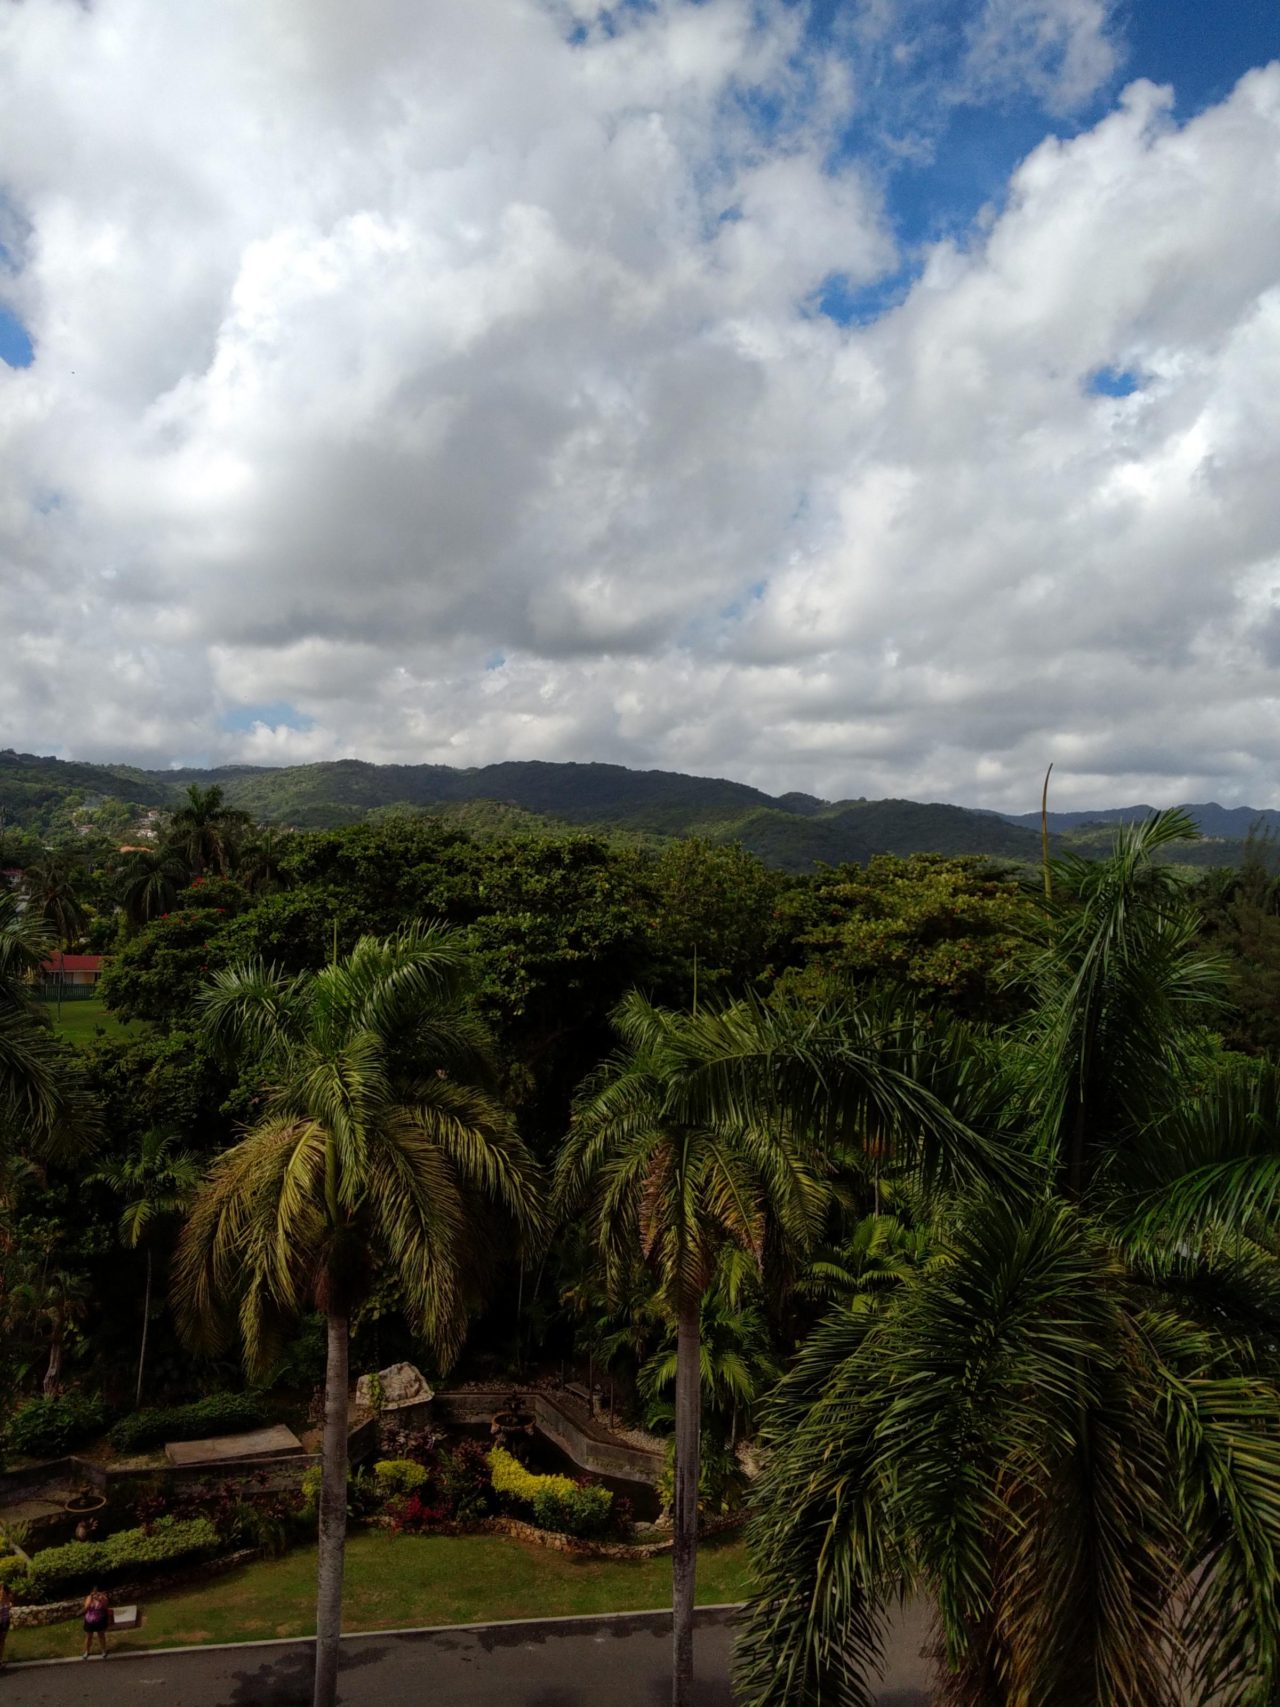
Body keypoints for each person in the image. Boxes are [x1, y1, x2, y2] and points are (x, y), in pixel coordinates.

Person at [82, 1586, 110, 1659]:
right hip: (89, 1620)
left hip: (100, 1619)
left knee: (101, 1635)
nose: (95, 1593)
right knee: (88, 1637)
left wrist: (100, 1599)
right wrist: (91, 1598)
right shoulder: (89, 1598)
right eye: (93, 1592)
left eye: (96, 1592)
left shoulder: (103, 1597)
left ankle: (103, 1650)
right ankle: (87, 1651)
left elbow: (105, 1605)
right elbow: (86, 1607)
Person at [0, 1581, 12, 1670]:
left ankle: (0, 1661)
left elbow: (9, 1606)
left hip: (5, 1622)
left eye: (2, 1589)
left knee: (2, 1641)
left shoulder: (7, 1599)